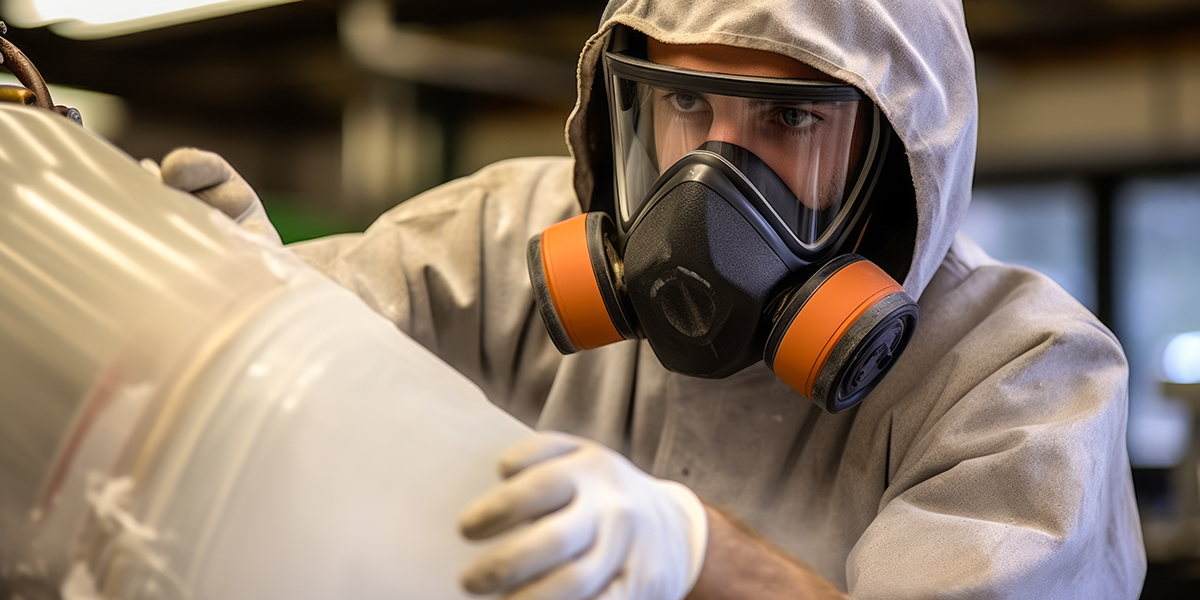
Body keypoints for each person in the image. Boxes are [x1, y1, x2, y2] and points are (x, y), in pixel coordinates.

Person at [154, 0, 1147, 597]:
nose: (712, 179)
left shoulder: (1022, 380)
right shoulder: (503, 240)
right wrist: (231, 298)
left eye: (792, 120)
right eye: (685, 102)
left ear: (895, 154)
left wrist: (698, 556)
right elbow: (260, 376)